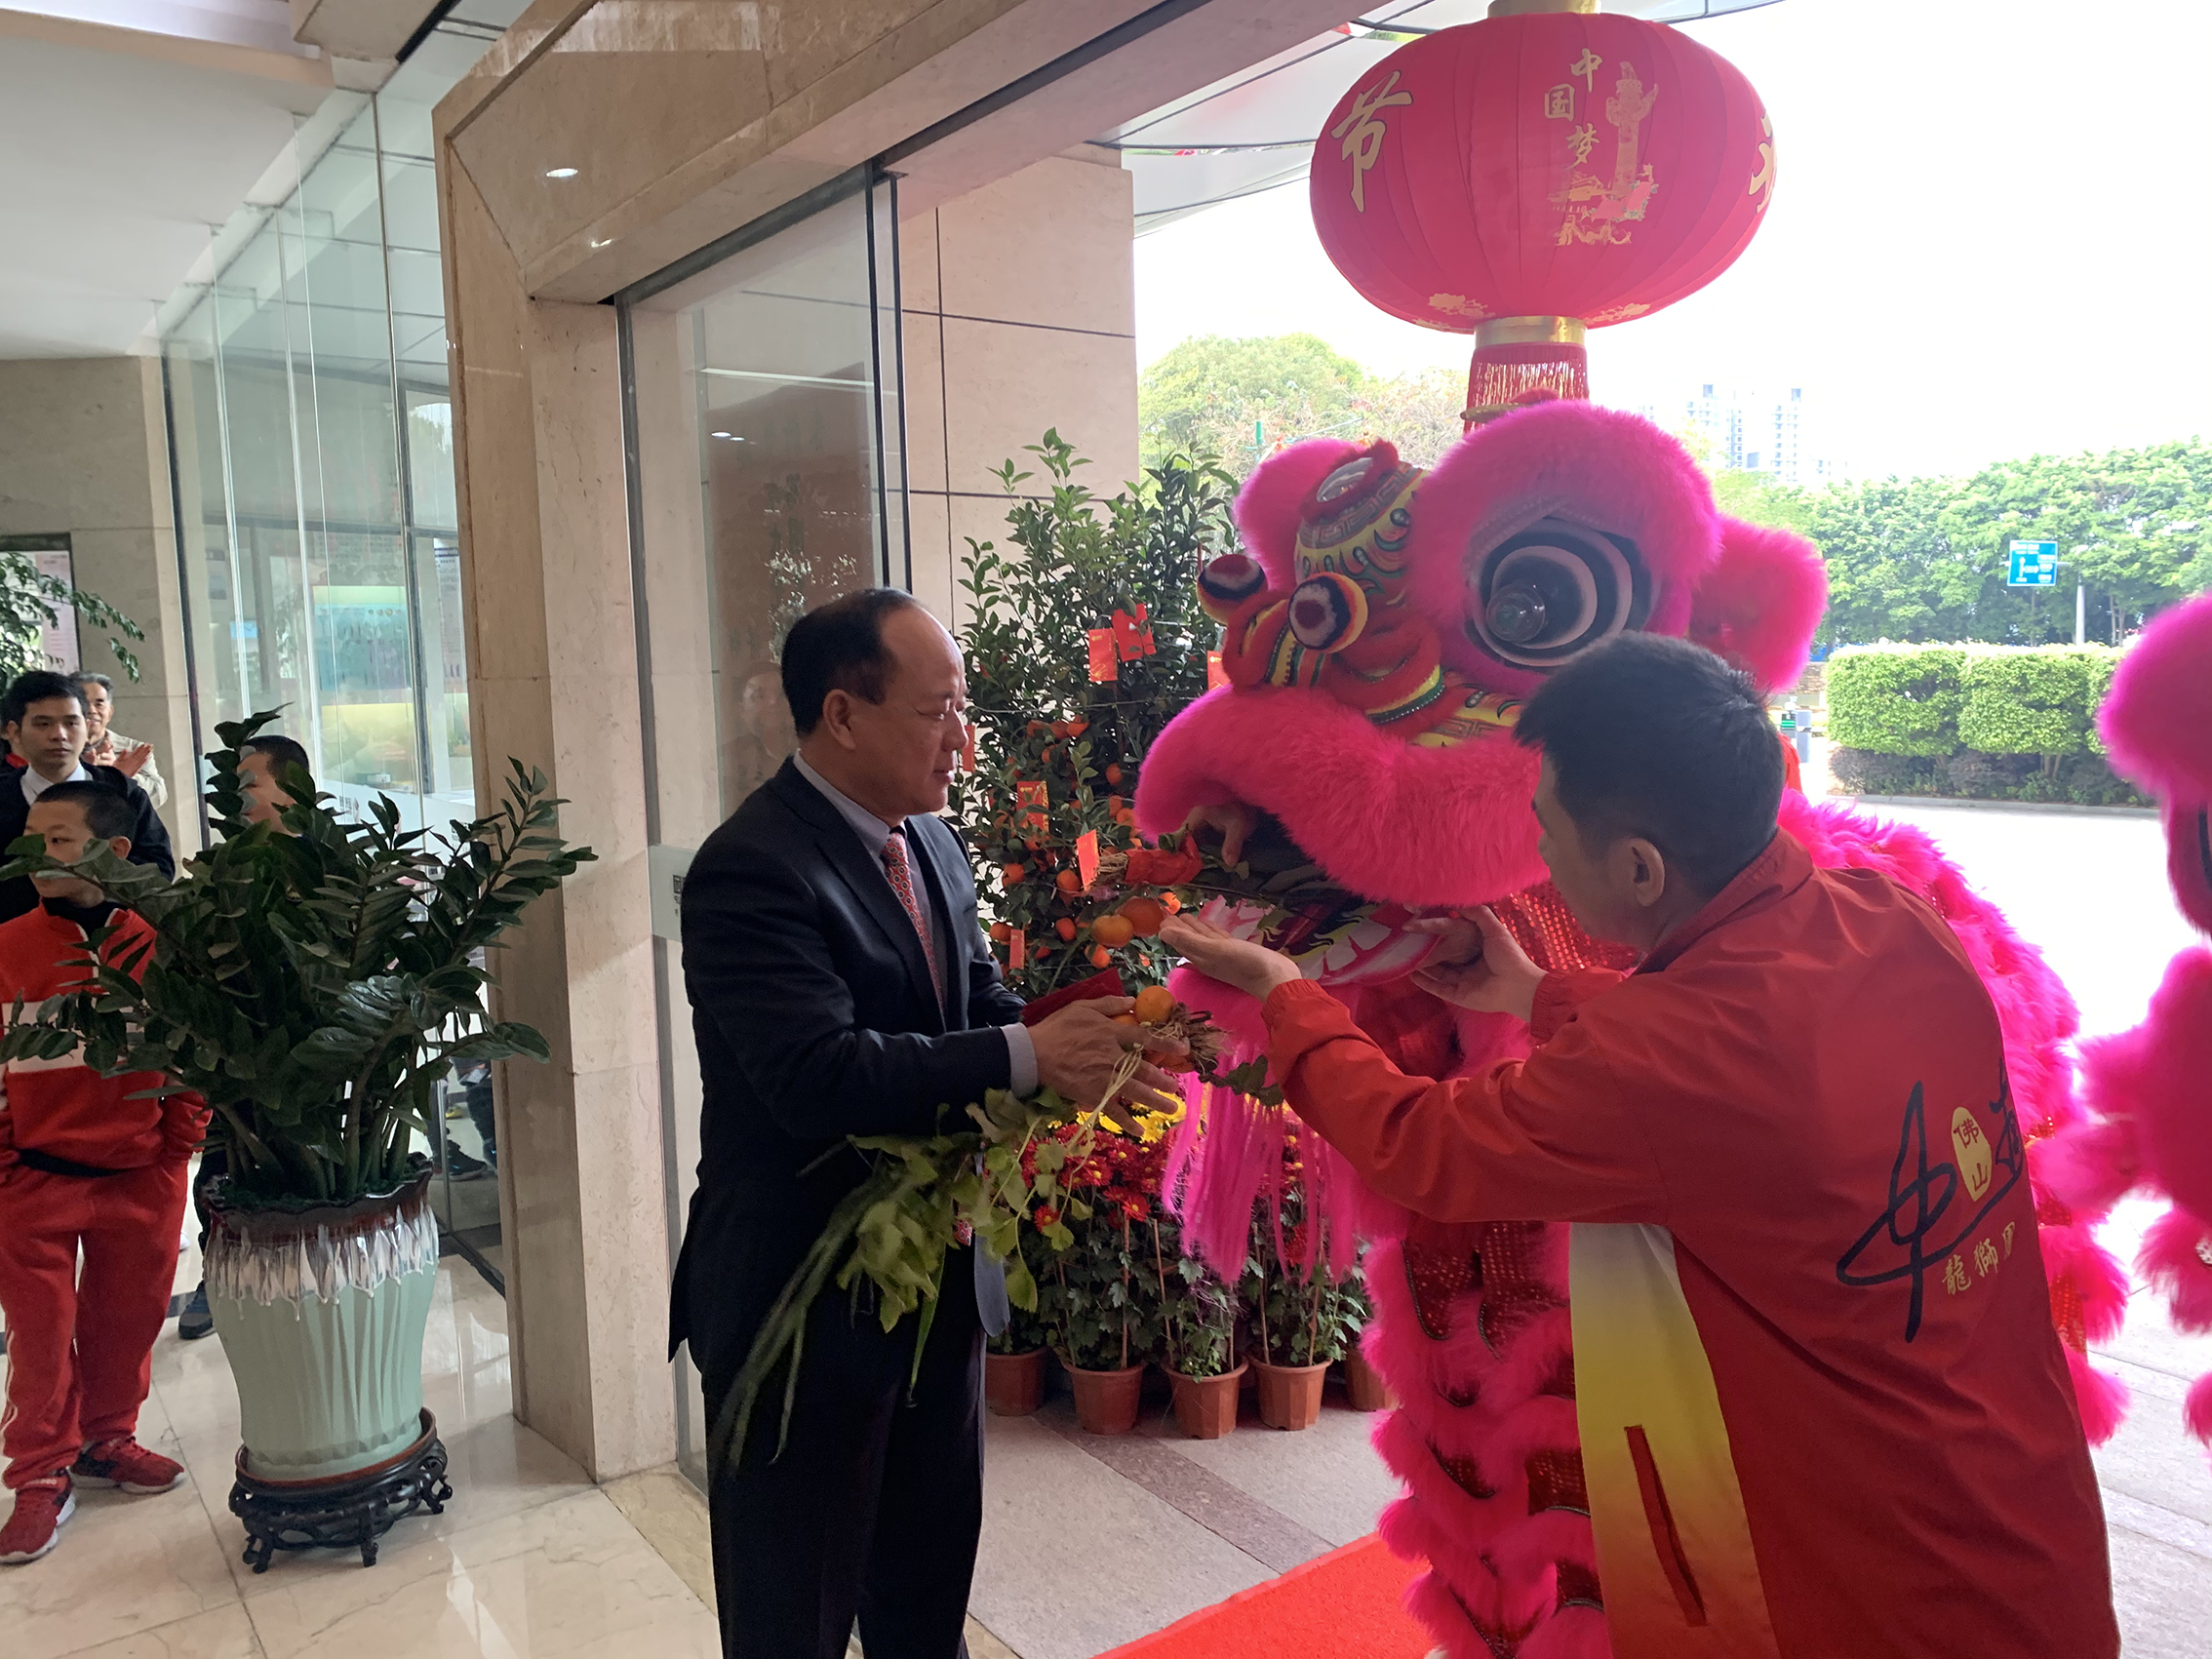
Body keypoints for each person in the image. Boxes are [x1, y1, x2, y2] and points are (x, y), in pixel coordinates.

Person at [1162, 633, 2116, 1659]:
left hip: (1883, 1586)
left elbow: (1423, 1147)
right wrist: (1537, 992)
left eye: (1547, 831)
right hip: (2030, 1527)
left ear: (1639, 867)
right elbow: (1736, 1064)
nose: (1539, 861)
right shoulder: (1888, 916)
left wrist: (1290, 999)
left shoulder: (1664, 1058)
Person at [671, 588, 1176, 1659]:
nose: (964, 739)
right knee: (792, 1620)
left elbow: (975, 1005)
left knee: (924, 1600)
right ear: (842, 715)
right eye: (938, 710)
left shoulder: (934, 845)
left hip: (937, 1295)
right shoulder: (750, 866)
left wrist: (1091, 1044)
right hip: (800, 1310)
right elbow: (817, 1075)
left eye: (965, 709)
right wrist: (1027, 1055)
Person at [0, 782, 208, 1563]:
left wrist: (175, 1145)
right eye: (32, 837)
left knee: (127, 1317)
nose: (39, 853)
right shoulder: (6, 946)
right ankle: (39, 1472)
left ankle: (108, 1438)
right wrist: (6, 1160)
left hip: (140, 1172)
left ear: (115, 852)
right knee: (41, 1333)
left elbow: (191, 1053)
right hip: (32, 1178)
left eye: (58, 838)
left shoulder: (158, 945)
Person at [177, 731, 315, 1342]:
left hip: (308, 1063)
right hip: (235, 1055)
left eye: (249, 784)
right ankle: (220, 1273)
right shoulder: (225, 872)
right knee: (223, 1167)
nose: (237, 799)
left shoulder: (331, 869)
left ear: (293, 789)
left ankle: (312, 1277)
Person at [0, 673, 171, 927]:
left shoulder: (122, 791)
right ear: (14, 731)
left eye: (71, 723)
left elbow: (157, 868)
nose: (59, 735)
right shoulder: (4, 796)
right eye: (43, 724)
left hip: (114, 935)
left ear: (86, 725)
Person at [73, 673, 166, 810]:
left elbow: (159, 795)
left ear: (110, 712)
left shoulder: (133, 749)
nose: (91, 710)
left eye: (99, 704)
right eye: (84, 703)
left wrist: (119, 776)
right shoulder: (56, 747)